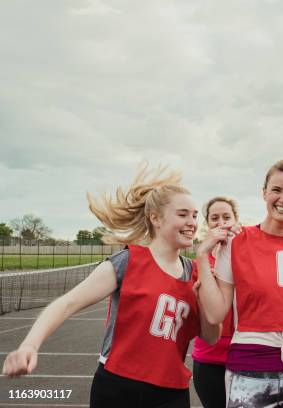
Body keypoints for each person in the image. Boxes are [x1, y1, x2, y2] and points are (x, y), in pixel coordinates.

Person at [2, 164, 220, 408]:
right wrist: (30, 345)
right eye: (183, 214)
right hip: (119, 388)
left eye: (194, 215)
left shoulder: (196, 272)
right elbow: (67, 303)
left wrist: (207, 297)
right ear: (155, 218)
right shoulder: (128, 262)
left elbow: (211, 337)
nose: (192, 222)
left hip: (172, 393)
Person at [196, 159, 283, 407]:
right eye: (277, 190)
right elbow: (215, 313)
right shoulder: (237, 241)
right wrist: (201, 255)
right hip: (250, 367)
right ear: (264, 193)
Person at [192, 196, 239, 408]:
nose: (221, 223)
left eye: (226, 217)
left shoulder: (247, 255)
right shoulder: (199, 263)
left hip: (244, 357)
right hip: (209, 359)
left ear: (236, 220)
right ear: (207, 224)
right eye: (215, 218)